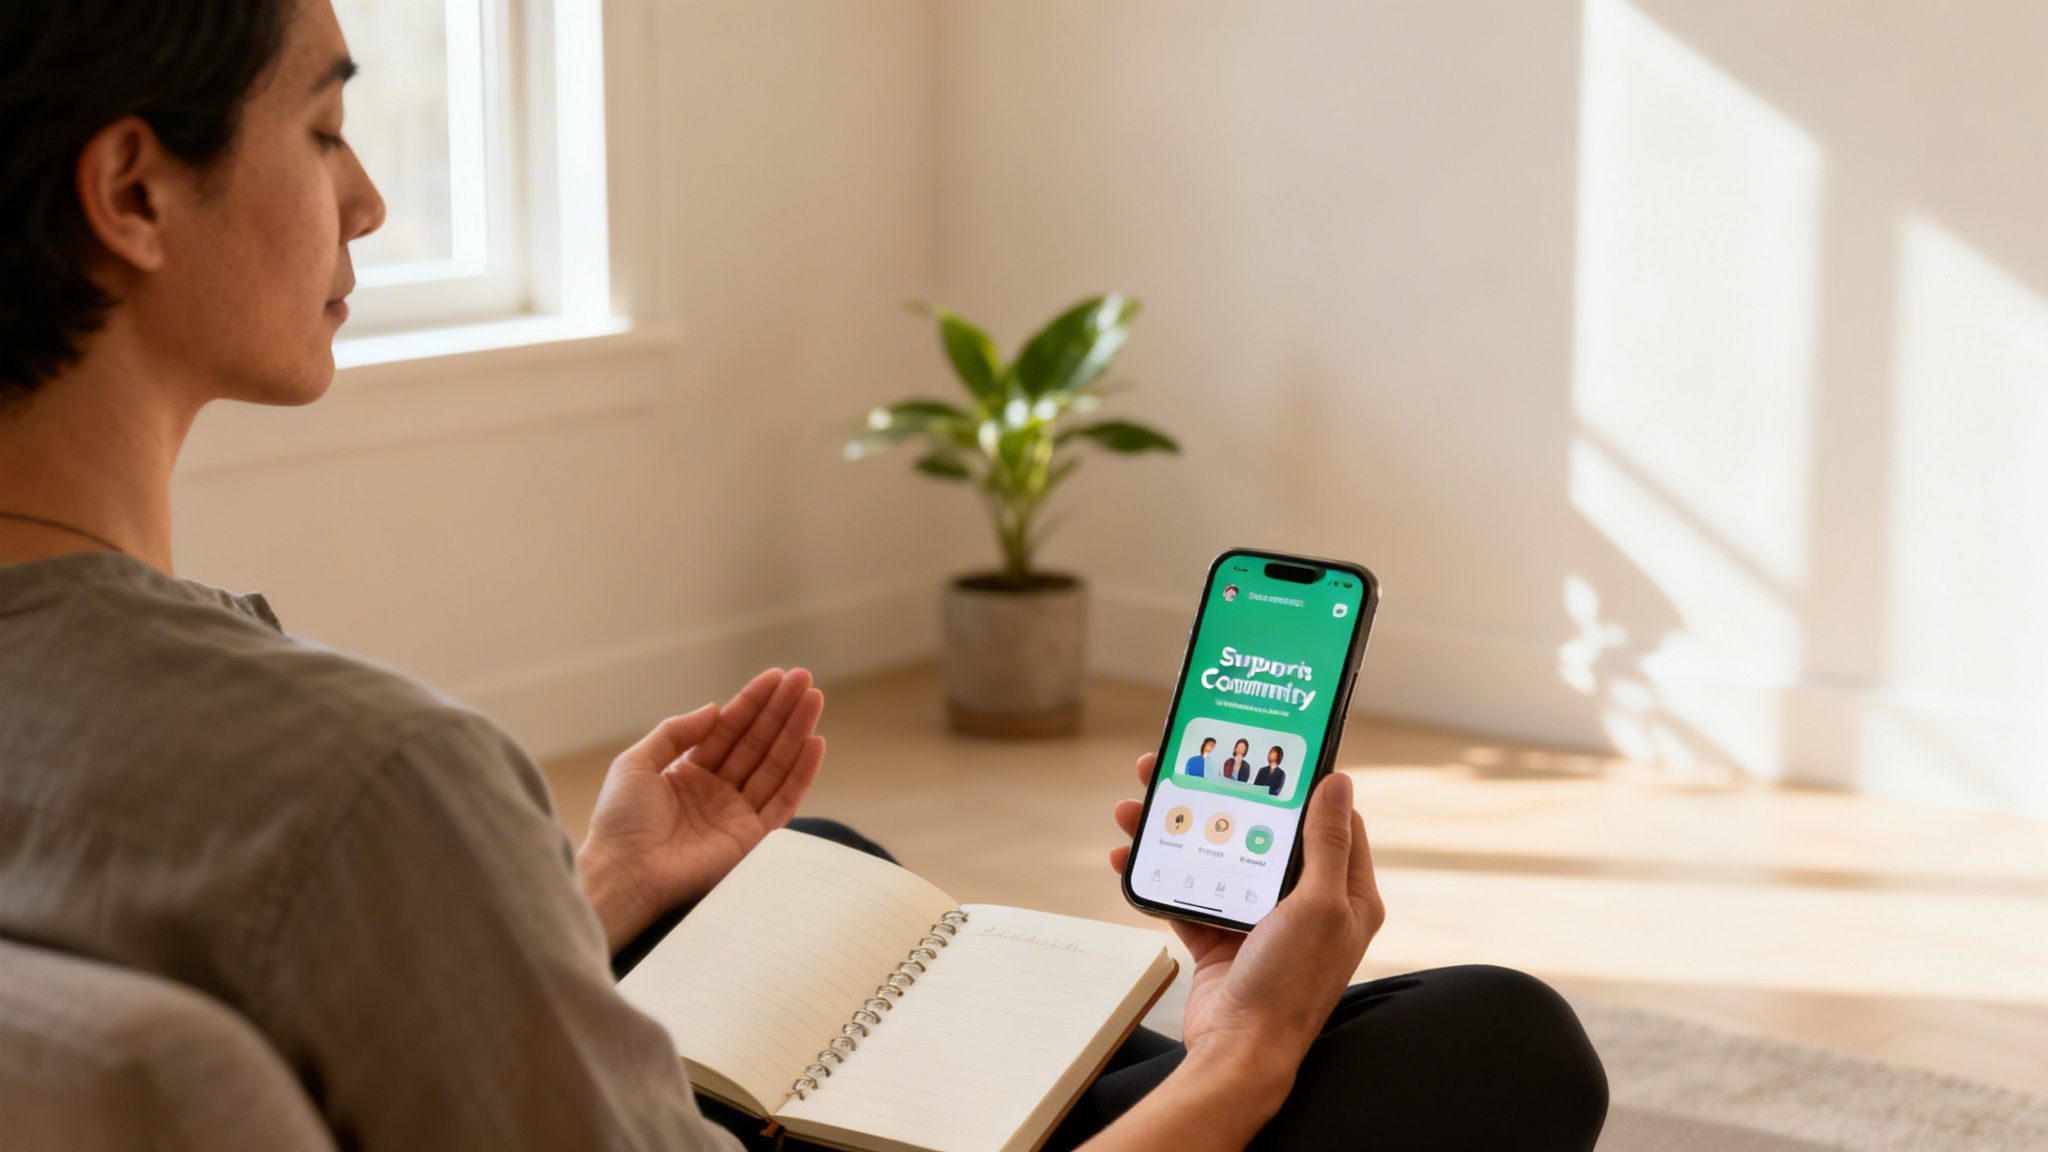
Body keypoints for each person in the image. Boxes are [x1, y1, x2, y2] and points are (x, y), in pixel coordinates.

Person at [0, 3, 1608, 1150]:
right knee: (1493, 1044)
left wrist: (598, 890)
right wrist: (1237, 1062)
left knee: (802, 865)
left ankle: (1080, 1062)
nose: (367, 195)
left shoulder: (273, 770)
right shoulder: (372, 784)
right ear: (135, 190)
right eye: (327, 125)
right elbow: (351, 867)